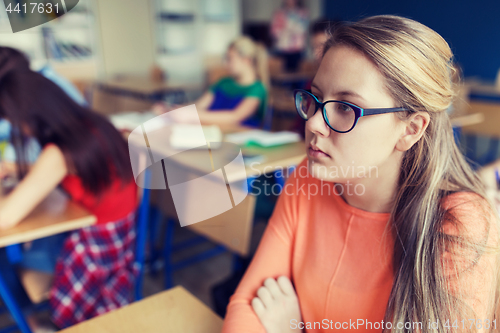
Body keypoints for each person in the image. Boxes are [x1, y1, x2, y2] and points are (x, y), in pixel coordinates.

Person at [222, 16, 500, 333]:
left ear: (410, 130)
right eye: (316, 98)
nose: (313, 122)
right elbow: (247, 306)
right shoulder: (308, 177)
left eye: (345, 107)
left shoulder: (461, 224)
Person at [0, 47, 138, 330]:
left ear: (32, 118)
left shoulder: (58, 152)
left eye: (17, 124)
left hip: (98, 245)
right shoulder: (89, 123)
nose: (22, 131)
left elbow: (5, 218)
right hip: (122, 236)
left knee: (9, 257)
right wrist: (16, 169)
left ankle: (30, 321)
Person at [154, 36, 268, 128]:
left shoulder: (257, 89)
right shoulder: (223, 83)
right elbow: (199, 105)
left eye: (230, 58)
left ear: (246, 60)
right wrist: (172, 109)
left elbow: (235, 117)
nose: (225, 64)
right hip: (213, 135)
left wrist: (194, 116)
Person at [270, 0, 309, 72]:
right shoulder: (279, 13)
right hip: (282, 49)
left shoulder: (302, 12)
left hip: (298, 49)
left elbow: (303, 29)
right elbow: (274, 32)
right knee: (282, 74)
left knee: (298, 75)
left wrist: (286, 29)